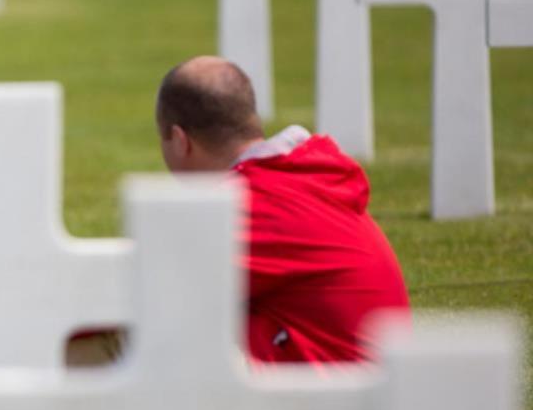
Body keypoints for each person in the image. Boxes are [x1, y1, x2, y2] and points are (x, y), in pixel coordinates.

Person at [156, 55, 410, 363]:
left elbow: (151, 289)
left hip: (341, 398)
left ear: (181, 141)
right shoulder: (295, 176)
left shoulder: (247, 205)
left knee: (141, 337)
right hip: (372, 381)